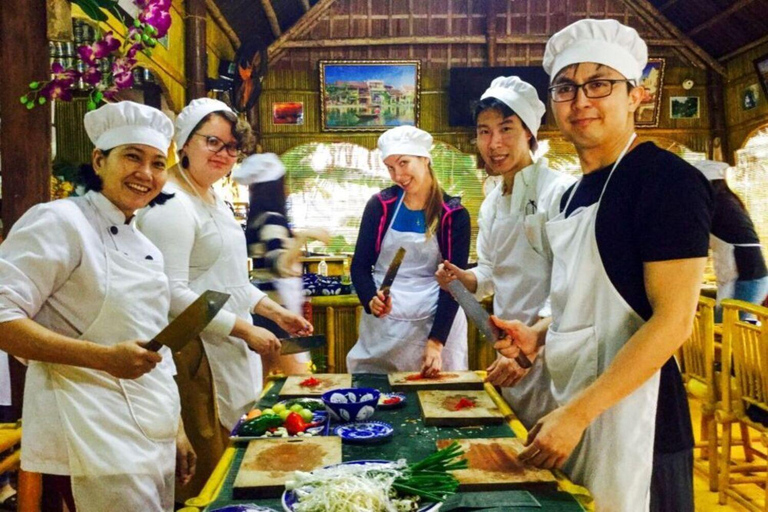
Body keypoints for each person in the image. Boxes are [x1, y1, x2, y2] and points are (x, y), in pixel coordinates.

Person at [492, 19, 712, 512]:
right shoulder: (570, 196)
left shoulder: (665, 180)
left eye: (599, 83)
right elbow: (582, 298)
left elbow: (673, 322)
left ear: (635, 95)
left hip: (638, 419)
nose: (581, 100)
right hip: (572, 407)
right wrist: (540, 334)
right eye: (566, 88)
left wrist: (579, 413)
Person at [0, 101, 193, 511]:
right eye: (132, 157)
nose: (146, 174)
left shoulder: (144, 245)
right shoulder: (59, 221)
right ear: (99, 160)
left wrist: (175, 428)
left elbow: (156, 343)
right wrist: (104, 358)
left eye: (158, 163)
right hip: (89, 434)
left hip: (150, 432)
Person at [136, 98, 312, 501]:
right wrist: (243, 328)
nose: (224, 154)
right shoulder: (172, 206)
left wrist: (273, 311)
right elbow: (170, 292)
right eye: (212, 142)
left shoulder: (213, 199)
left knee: (235, 461)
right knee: (209, 478)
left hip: (229, 350)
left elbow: (230, 281)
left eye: (232, 146)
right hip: (197, 357)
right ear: (183, 142)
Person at [435, 76, 575, 429]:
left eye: (506, 129)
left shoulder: (559, 192)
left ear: (529, 132)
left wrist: (534, 344)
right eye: (484, 131)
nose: (494, 143)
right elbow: (490, 273)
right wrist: (462, 279)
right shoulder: (493, 202)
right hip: (509, 351)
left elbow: (570, 284)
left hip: (552, 350)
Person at [348, 126, 470, 375]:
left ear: (425, 159)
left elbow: (454, 284)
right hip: (386, 325)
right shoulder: (380, 206)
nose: (397, 175)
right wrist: (371, 299)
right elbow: (360, 266)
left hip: (437, 321)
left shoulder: (453, 215)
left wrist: (436, 342)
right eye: (390, 167)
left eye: (404, 163)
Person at [232, 153, 331, 375]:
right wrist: (305, 236)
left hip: (264, 311)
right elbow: (281, 264)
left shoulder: (259, 219)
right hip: (277, 313)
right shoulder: (272, 218)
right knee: (300, 380)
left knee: (265, 381)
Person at [694, 160, 768, 320]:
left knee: (726, 329)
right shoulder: (724, 200)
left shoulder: (717, 204)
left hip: (747, 278)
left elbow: (693, 237)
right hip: (745, 277)